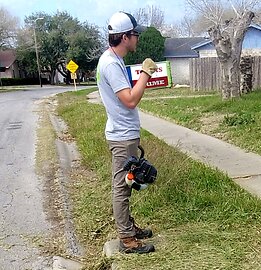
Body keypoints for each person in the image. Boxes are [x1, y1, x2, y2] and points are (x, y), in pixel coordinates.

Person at [96, 11, 158, 253]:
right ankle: (127, 240)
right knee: (122, 187)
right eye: (135, 34)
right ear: (124, 37)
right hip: (121, 136)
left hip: (124, 133)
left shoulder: (112, 59)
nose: (137, 38)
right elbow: (130, 100)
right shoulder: (111, 64)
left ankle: (129, 228)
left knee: (128, 183)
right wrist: (145, 73)